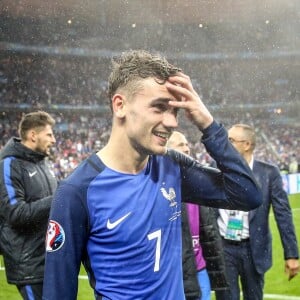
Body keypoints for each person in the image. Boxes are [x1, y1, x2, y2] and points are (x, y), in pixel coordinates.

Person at [42, 50, 262, 300]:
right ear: (120, 105)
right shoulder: (76, 192)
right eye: (159, 108)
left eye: (174, 112)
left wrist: (208, 124)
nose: (172, 122)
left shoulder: (171, 167)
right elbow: (57, 292)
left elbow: (248, 195)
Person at [215, 123, 300, 300]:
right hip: (224, 248)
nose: (225, 143)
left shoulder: (269, 173)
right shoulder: (217, 170)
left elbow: (283, 214)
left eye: (231, 140)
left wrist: (291, 254)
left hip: (253, 250)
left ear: (247, 144)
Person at [0, 111, 57, 300]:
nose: (54, 140)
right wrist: (58, 198)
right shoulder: (9, 165)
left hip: (50, 259)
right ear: (33, 135)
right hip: (29, 265)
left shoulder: (42, 164)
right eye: (49, 134)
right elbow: (16, 214)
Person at [168, 131, 228, 300]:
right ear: (166, 149)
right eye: (180, 144)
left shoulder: (198, 182)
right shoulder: (161, 185)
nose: (187, 148)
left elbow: (209, 232)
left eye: (187, 144)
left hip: (200, 269)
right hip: (175, 272)